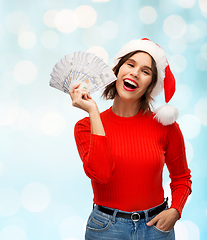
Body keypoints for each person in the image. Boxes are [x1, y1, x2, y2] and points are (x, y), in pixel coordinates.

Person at [69, 38, 192, 240]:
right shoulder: (85, 127)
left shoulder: (166, 127)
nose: (135, 73)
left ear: (151, 84)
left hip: (156, 229)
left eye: (146, 71)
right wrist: (93, 112)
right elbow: (101, 174)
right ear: (117, 71)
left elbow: (181, 178)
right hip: (106, 229)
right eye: (130, 64)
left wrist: (176, 211)